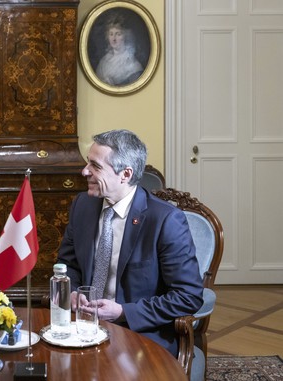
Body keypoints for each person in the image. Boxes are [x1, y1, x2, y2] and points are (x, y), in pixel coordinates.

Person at [57, 129, 204, 357]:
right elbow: (68, 265)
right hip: (82, 327)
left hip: (140, 335)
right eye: (88, 163)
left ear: (125, 174)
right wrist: (73, 292)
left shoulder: (165, 220)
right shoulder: (82, 205)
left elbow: (188, 296)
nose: (84, 171)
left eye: (95, 166)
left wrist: (124, 312)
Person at [95, 14, 144, 86]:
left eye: (118, 34)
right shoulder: (104, 61)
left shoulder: (133, 64)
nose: (114, 39)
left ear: (125, 36)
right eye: (111, 34)